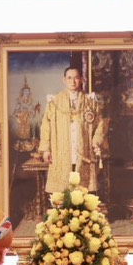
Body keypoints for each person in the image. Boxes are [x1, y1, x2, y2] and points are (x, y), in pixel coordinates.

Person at [37, 64, 108, 196]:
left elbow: (100, 124)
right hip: (61, 151)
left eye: (76, 78)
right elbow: (46, 126)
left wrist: (96, 142)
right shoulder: (54, 102)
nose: (73, 81)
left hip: (83, 150)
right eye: (69, 78)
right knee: (63, 192)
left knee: (82, 191)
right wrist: (46, 149)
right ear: (64, 80)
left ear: (81, 79)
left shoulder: (90, 102)